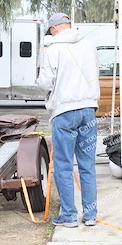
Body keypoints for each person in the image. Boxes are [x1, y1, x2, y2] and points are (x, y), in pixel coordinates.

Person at [37, 13, 100, 227]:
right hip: (89, 110)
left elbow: (45, 83)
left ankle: (70, 216)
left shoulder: (52, 49)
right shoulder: (89, 45)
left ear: (54, 29)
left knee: (64, 165)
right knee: (87, 165)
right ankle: (90, 216)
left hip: (64, 111)